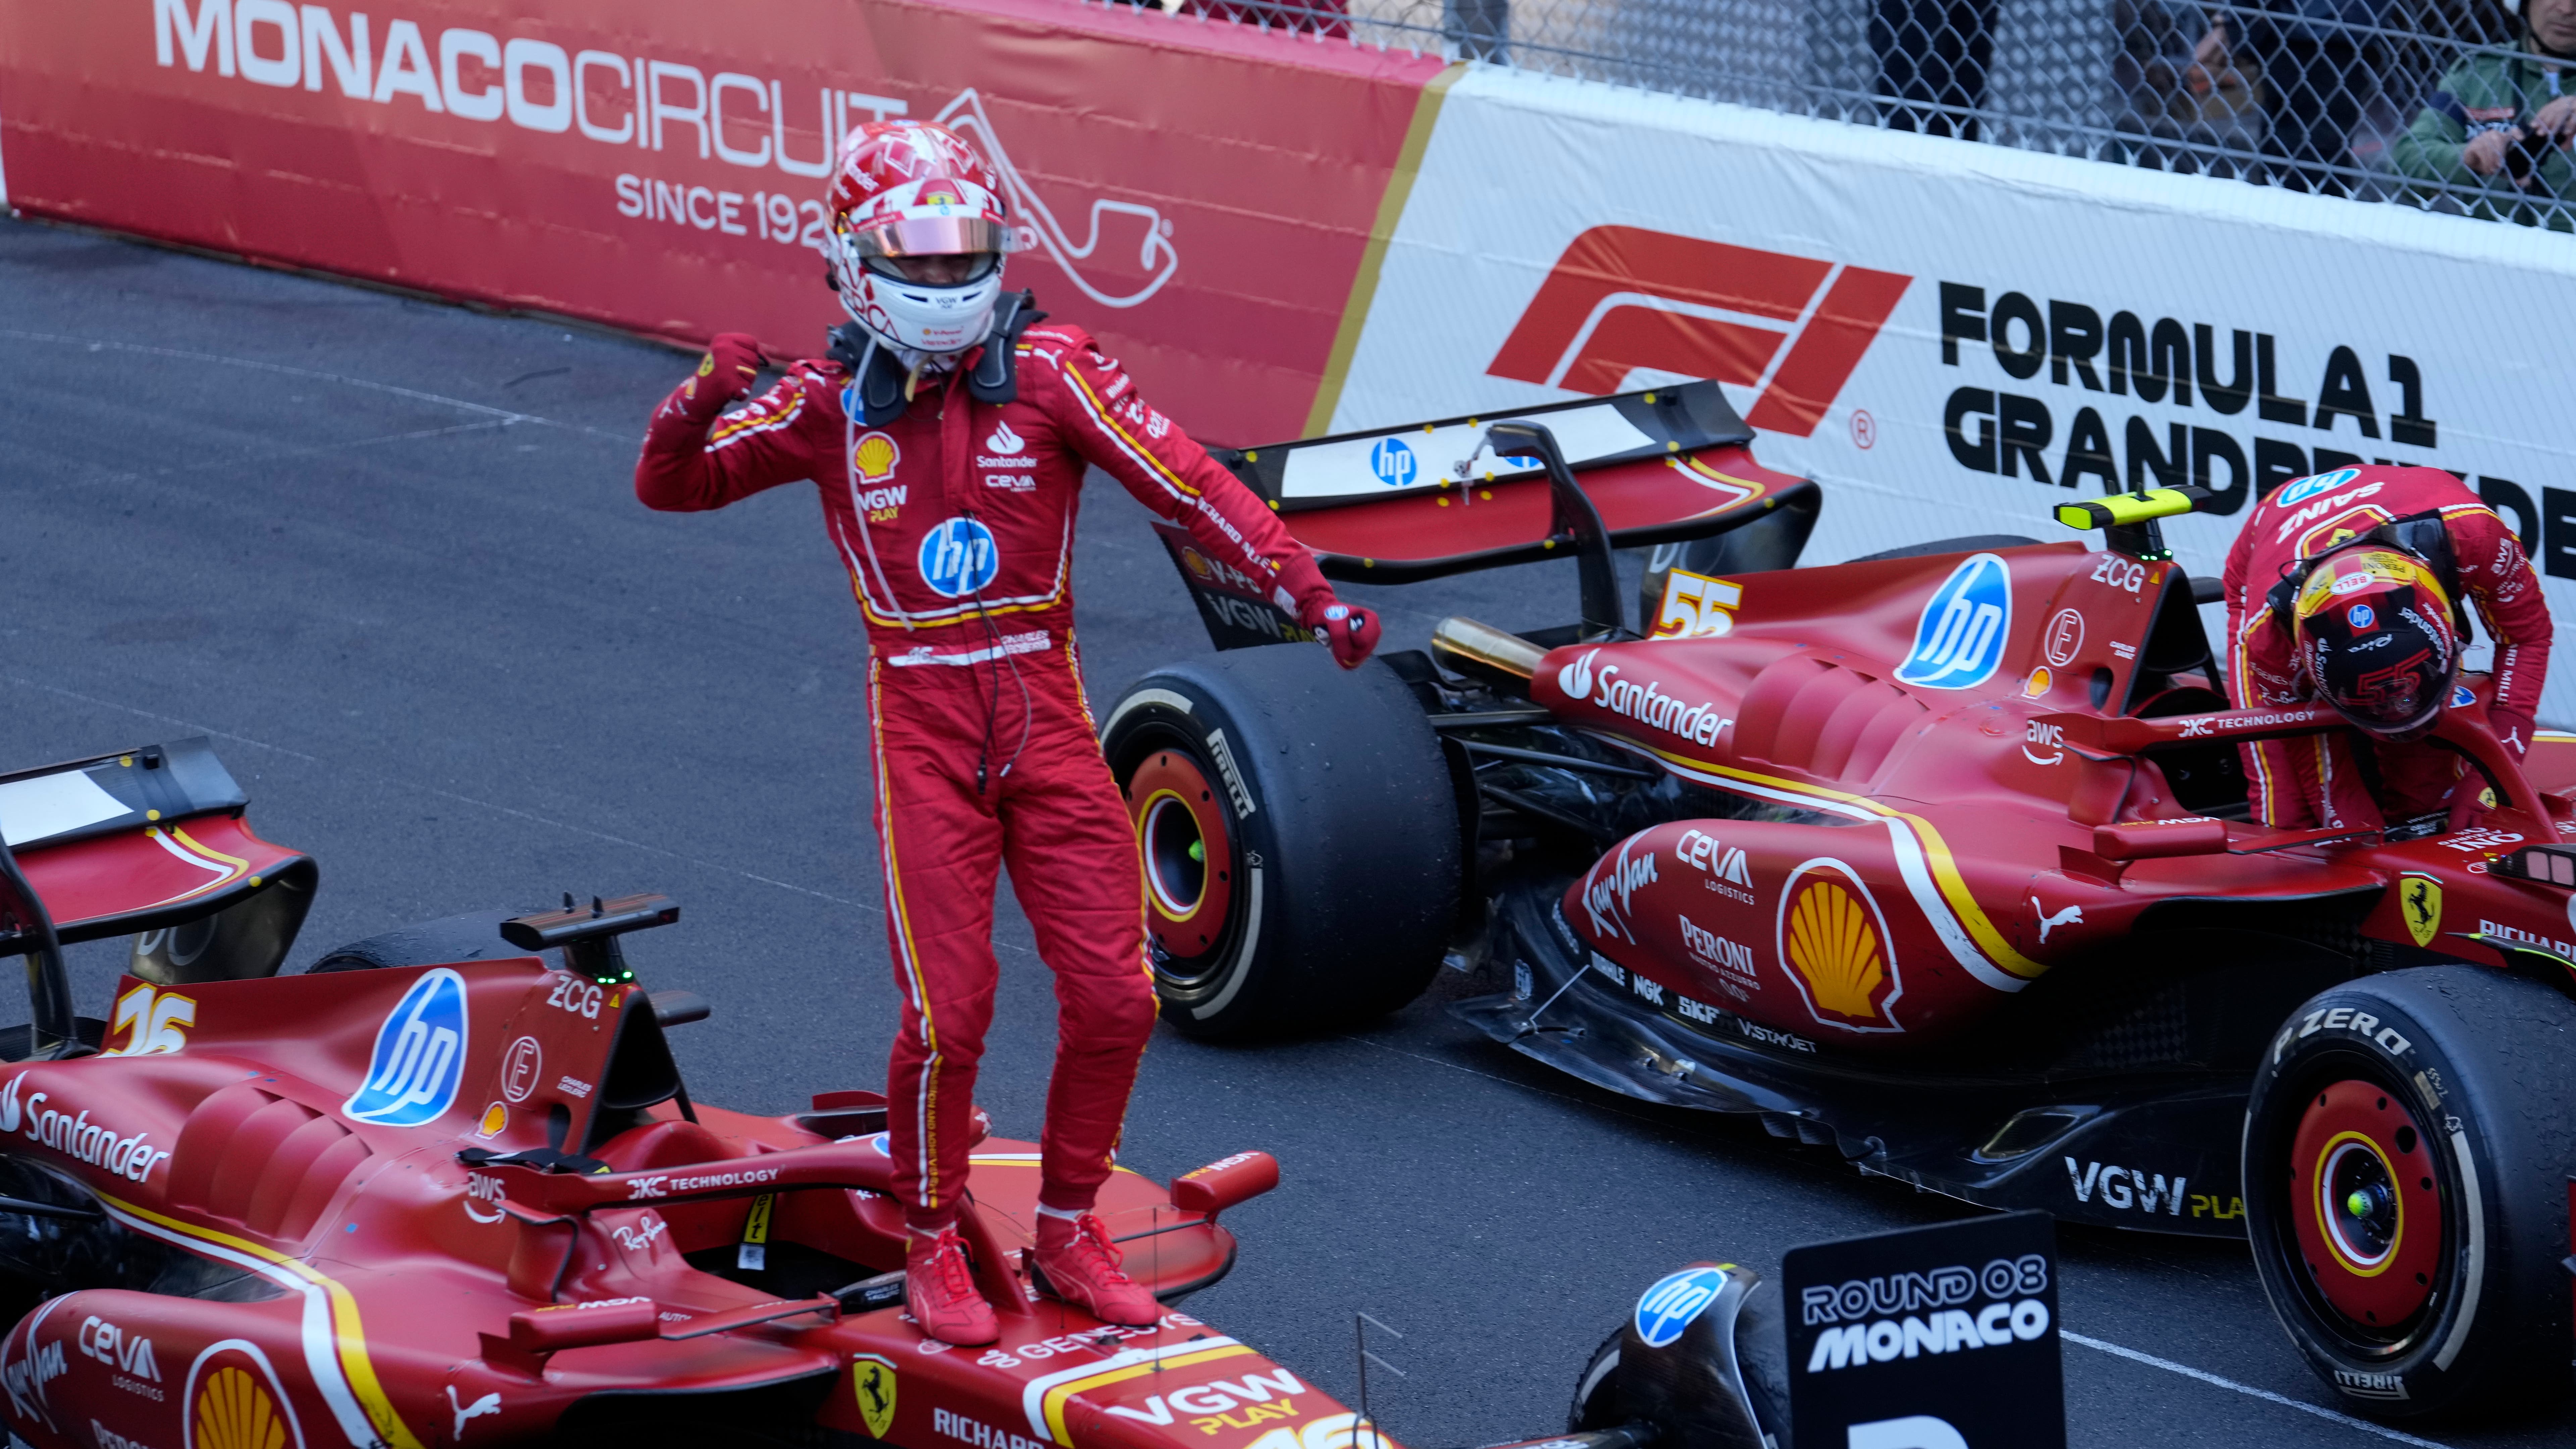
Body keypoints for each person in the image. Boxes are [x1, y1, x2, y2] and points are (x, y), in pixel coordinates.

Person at [633, 120, 1380, 1346]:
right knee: (951, 1016)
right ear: (859, 264)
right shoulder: (823, 405)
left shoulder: (1056, 371)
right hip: (919, 717)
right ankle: (932, 1238)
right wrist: (701, 395)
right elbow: (674, 484)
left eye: (960, 255)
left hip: (1043, 710)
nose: (942, 282)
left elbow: (1188, 483)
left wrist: (1308, 591)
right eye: (915, 261)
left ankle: (1071, 1224)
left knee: (1116, 996)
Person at [2220, 464, 2549, 833]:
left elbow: (2526, 637)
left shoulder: (2476, 536)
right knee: (2286, 816)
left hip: (2410, 502)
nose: (2398, 709)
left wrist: (2486, 779)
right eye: (2382, 703)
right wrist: (2362, 839)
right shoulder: (2268, 633)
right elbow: (2307, 745)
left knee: (2427, 794)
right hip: (2268, 538)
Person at [2392, 0, 2576, 225]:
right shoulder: (2479, 71)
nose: (2568, 9)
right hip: (2494, 249)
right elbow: (2405, 162)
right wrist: (2467, 157)